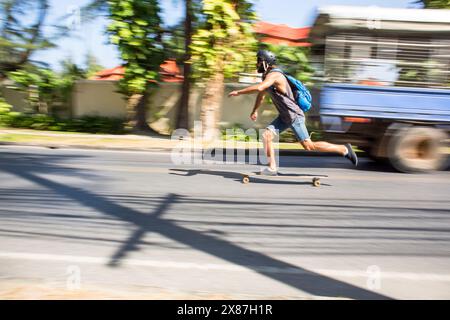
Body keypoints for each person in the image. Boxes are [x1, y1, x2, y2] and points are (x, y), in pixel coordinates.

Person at [228, 49, 358, 175]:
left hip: (294, 115)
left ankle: (344, 149)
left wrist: (238, 92)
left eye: (258, 61)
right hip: (285, 116)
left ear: (265, 62)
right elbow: (261, 94)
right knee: (266, 136)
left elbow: (260, 87)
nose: (257, 64)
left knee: (308, 146)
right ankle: (272, 167)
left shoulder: (275, 75)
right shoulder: (266, 76)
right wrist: (255, 110)